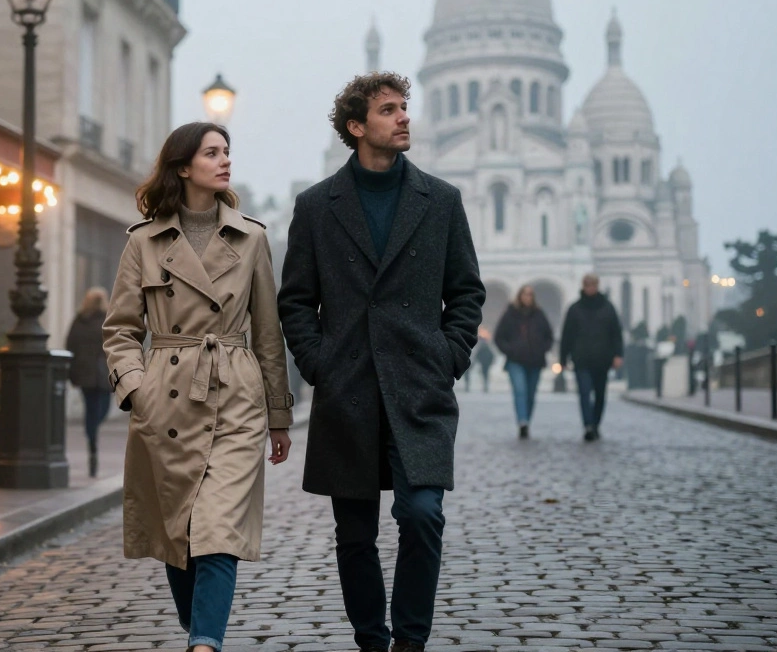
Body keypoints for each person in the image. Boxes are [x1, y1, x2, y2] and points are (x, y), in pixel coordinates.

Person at [278, 71, 484, 652]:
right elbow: (296, 298)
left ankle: (410, 641)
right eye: (389, 109)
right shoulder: (318, 205)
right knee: (354, 535)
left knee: (422, 516)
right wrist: (321, 363)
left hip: (420, 386)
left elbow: (466, 290)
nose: (404, 118)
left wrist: (449, 354)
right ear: (356, 125)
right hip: (348, 390)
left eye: (404, 108)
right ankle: (372, 638)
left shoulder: (440, 200)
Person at [102, 122, 294, 652]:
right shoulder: (144, 241)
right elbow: (120, 330)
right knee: (177, 531)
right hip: (165, 398)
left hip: (234, 392)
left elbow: (268, 333)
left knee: (218, 527)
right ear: (184, 166)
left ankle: (205, 644)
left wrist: (278, 415)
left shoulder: (251, 237)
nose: (225, 159)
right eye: (212, 152)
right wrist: (137, 389)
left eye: (227, 150)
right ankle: (199, 628)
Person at [559, 273, 624, 441]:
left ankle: (596, 423)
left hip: (603, 359)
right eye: (587, 285)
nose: (590, 288)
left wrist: (618, 354)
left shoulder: (607, 307)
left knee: (600, 395)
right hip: (581, 359)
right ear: (583, 286)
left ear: (597, 286)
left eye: (593, 285)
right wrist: (563, 358)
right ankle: (588, 425)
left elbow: (616, 333)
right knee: (584, 393)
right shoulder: (574, 309)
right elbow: (567, 335)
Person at [493, 285, 555, 439]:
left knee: (531, 394)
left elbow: (549, 336)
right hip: (516, 360)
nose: (528, 297)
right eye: (525, 294)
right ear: (520, 296)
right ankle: (522, 422)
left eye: (530, 294)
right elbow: (499, 337)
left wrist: (542, 349)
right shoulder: (510, 314)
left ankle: (526, 419)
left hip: (535, 360)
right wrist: (510, 350)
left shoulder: (539, 314)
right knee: (520, 391)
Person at [66, 287, 112, 478]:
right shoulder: (107, 319)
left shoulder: (80, 321)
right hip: (99, 373)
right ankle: (92, 441)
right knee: (100, 410)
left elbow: (70, 345)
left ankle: (91, 436)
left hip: (89, 373)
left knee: (94, 411)